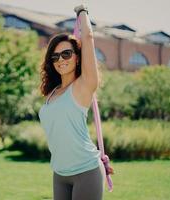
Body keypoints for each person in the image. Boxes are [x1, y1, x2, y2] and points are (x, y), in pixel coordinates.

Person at [38, 4, 114, 200]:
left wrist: (82, 13)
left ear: (77, 58)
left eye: (66, 54)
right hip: (60, 173)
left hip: (86, 172)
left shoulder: (83, 86)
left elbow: (88, 38)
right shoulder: (52, 92)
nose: (60, 59)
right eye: (55, 56)